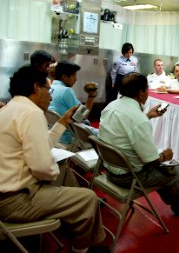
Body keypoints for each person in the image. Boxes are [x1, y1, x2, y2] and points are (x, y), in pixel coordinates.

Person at [0, 65, 106, 252]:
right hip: (16, 202)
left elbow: (41, 144)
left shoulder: (11, 108)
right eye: (48, 90)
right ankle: (82, 247)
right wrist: (50, 167)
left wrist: (63, 122)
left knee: (63, 169)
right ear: (35, 87)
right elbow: (42, 168)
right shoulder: (31, 113)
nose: (50, 96)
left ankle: (77, 220)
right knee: (88, 198)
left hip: (8, 193)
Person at [99, 72, 179, 215]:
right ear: (141, 93)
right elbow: (151, 160)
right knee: (177, 170)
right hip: (129, 177)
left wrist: (148, 116)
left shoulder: (111, 106)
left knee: (166, 172)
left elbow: (126, 129)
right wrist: (165, 156)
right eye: (147, 89)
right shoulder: (138, 119)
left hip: (109, 168)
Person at [49, 61, 98, 145]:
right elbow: (83, 116)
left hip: (53, 133)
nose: (76, 79)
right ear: (64, 77)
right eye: (74, 75)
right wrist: (91, 95)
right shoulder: (66, 91)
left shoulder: (50, 87)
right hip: (67, 138)